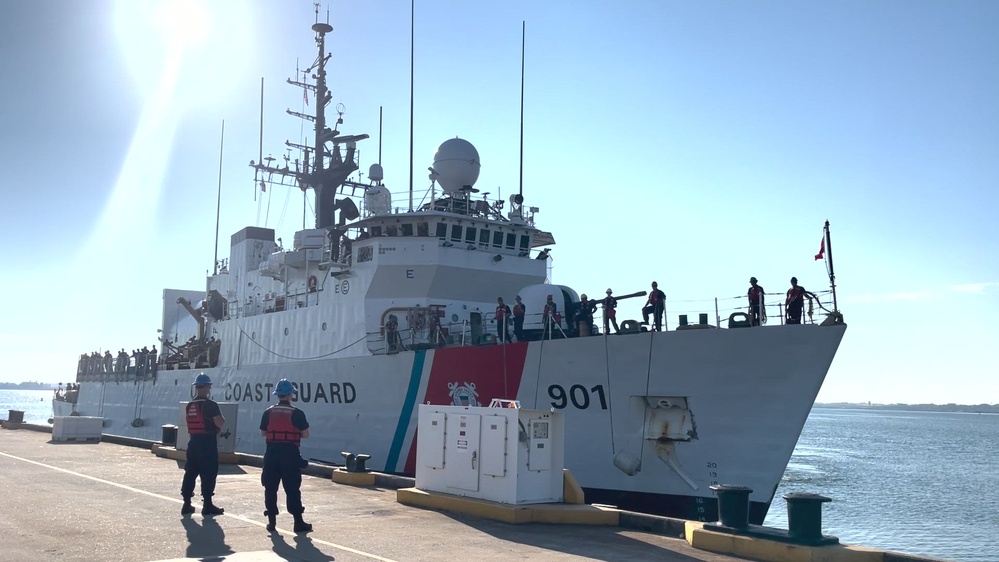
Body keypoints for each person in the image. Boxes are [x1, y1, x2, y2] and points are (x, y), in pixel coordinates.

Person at [260, 379, 312, 534]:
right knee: (292, 489)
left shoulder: (268, 412)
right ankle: (298, 522)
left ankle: (272, 522)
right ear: (290, 395)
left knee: (270, 488)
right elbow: (306, 434)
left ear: (277, 395)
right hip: (290, 455)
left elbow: (263, 433)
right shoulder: (297, 413)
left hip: (271, 454)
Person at [181, 373, 225, 516]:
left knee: (190, 472)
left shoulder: (190, 405)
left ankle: (187, 503)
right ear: (207, 387)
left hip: (193, 442)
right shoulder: (211, 405)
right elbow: (220, 422)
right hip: (207, 443)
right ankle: (207, 505)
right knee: (209, 473)